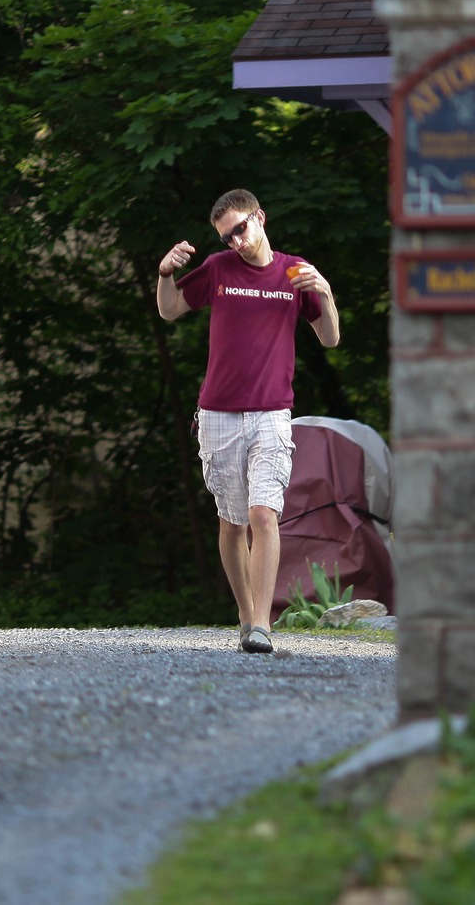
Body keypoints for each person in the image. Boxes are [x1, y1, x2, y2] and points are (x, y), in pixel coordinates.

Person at [156, 189, 340, 654]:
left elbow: (330, 339)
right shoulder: (219, 269)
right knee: (233, 523)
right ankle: (244, 613)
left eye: (240, 229)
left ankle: (262, 625)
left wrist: (325, 292)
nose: (235, 241)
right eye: (226, 237)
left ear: (259, 217)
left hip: (272, 414)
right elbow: (170, 309)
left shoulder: (294, 273)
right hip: (218, 415)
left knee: (264, 513)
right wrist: (165, 274)